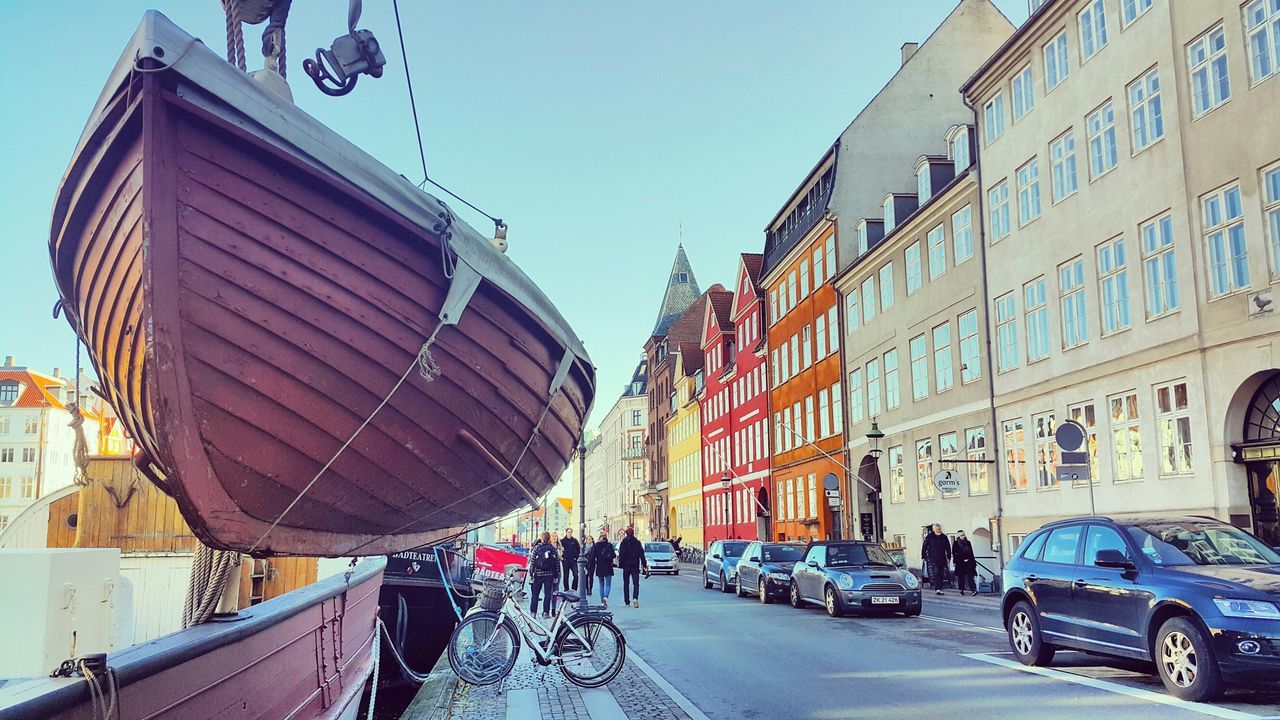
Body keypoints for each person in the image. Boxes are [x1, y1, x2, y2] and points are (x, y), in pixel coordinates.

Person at [529, 532, 561, 619]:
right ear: (549, 538)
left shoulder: (537, 548)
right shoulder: (553, 548)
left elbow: (532, 561)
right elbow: (556, 562)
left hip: (538, 574)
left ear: (542, 538)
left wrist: (531, 573)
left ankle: (533, 612)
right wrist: (556, 575)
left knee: (535, 594)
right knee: (547, 594)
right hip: (549, 575)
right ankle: (546, 613)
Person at [617, 527, 649, 608]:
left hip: (626, 566)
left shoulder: (623, 543)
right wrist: (644, 565)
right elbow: (641, 554)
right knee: (636, 584)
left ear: (626, 534)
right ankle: (635, 598)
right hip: (635, 565)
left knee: (626, 583)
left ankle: (627, 601)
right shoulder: (637, 543)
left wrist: (621, 564)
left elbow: (621, 554)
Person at [921, 523, 952, 595]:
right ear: (934, 529)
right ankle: (937, 588)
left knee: (941, 573)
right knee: (936, 572)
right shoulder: (930, 537)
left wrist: (949, 557)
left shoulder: (944, 537)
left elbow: (948, 547)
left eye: (939, 529)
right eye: (937, 529)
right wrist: (923, 556)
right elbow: (924, 546)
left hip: (942, 558)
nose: (939, 530)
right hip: (933, 558)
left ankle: (940, 588)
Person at [589, 533, 616, 606]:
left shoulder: (596, 545)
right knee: (608, 584)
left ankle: (602, 601)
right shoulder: (609, 545)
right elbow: (614, 555)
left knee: (601, 584)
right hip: (608, 566)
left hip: (599, 566)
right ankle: (606, 597)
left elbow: (592, 557)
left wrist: (588, 567)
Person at [952, 530, 977, 596]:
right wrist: (955, 561)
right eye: (961, 535)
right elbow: (954, 553)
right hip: (960, 562)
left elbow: (971, 552)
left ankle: (973, 590)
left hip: (969, 562)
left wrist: (973, 561)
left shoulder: (968, 543)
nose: (963, 536)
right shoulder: (956, 543)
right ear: (958, 536)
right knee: (961, 576)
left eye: (963, 535)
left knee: (970, 576)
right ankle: (961, 590)